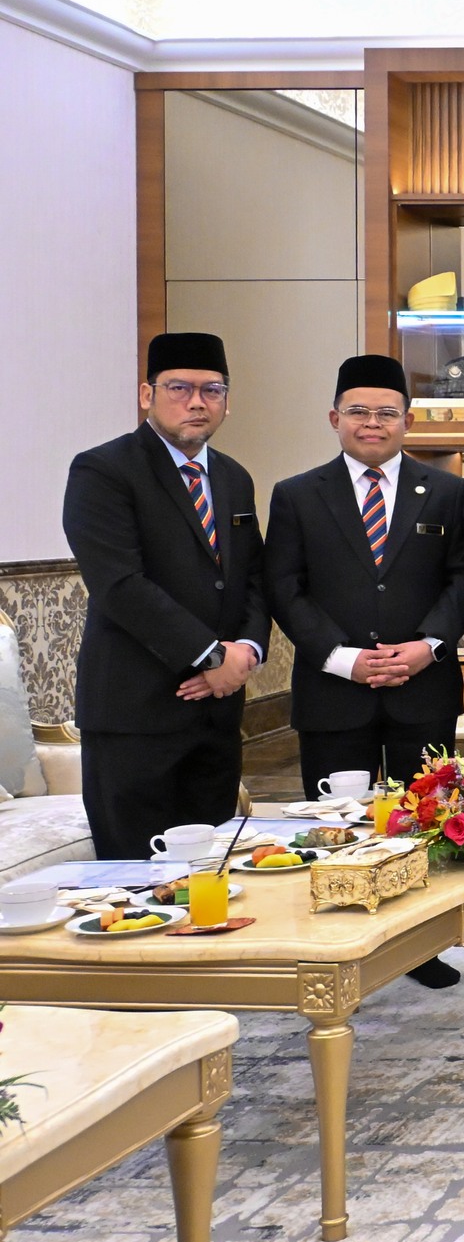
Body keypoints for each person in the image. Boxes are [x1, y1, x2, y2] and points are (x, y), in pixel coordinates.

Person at [266, 355, 464, 987]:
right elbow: (284, 589)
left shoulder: (448, 492)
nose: (372, 423)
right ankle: (335, 947)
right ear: (334, 418)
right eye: (358, 411)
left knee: (424, 821)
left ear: (407, 421)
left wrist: (430, 645)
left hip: (423, 686)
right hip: (333, 692)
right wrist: (342, 659)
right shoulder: (297, 494)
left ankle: (420, 948)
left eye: (387, 412)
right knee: (334, 827)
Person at [64, 332, 268, 859]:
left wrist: (245, 653)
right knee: (135, 880)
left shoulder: (234, 477)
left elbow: (252, 576)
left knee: (212, 874)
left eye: (212, 390)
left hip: (217, 715)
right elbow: (120, 585)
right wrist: (211, 656)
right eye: (179, 388)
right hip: (136, 714)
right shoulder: (103, 470)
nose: (197, 402)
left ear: (227, 401)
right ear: (146, 394)